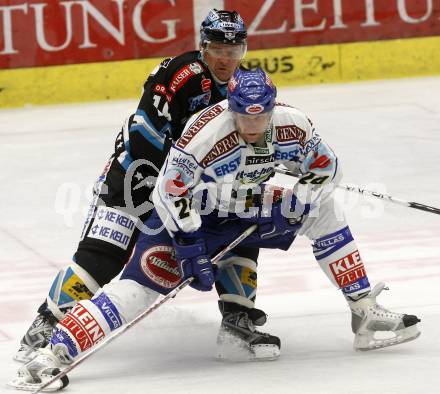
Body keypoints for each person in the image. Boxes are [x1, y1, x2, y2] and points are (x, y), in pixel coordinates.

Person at [9, 68, 421, 392]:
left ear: (273, 106)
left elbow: (326, 169)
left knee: (326, 210)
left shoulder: (294, 126)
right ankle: (56, 352)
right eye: (243, 114)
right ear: (231, 106)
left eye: (261, 115)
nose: (252, 124)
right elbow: (170, 193)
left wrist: (300, 200)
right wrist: (189, 244)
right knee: (139, 287)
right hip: (187, 217)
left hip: (244, 209)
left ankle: (364, 314)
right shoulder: (205, 134)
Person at [15, 8, 275, 364]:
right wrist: (181, 181)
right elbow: (144, 137)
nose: (225, 60)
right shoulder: (180, 74)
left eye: (233, 52)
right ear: (203, 46)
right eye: (217, 49)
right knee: (104, 253)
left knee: (237, 227)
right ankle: (47, 324)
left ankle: (237, 319)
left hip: (187, 187)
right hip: (136, 177)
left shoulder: (240, 89)